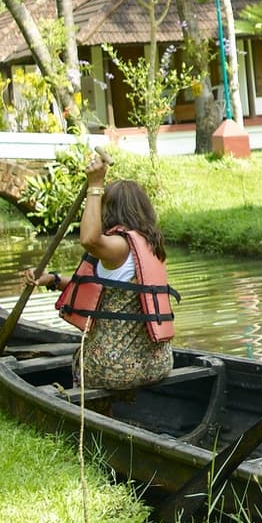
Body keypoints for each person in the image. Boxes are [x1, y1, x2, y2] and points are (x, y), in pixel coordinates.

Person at [21, 153, 177, 391]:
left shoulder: (119, 246)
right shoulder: (149, 243)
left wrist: (95, 186)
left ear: (109, 210)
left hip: (116, 370)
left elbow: (89, 239)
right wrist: (51, 280)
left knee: (78, 358)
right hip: (158, 364)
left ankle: (99, 412)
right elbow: (102, 288)